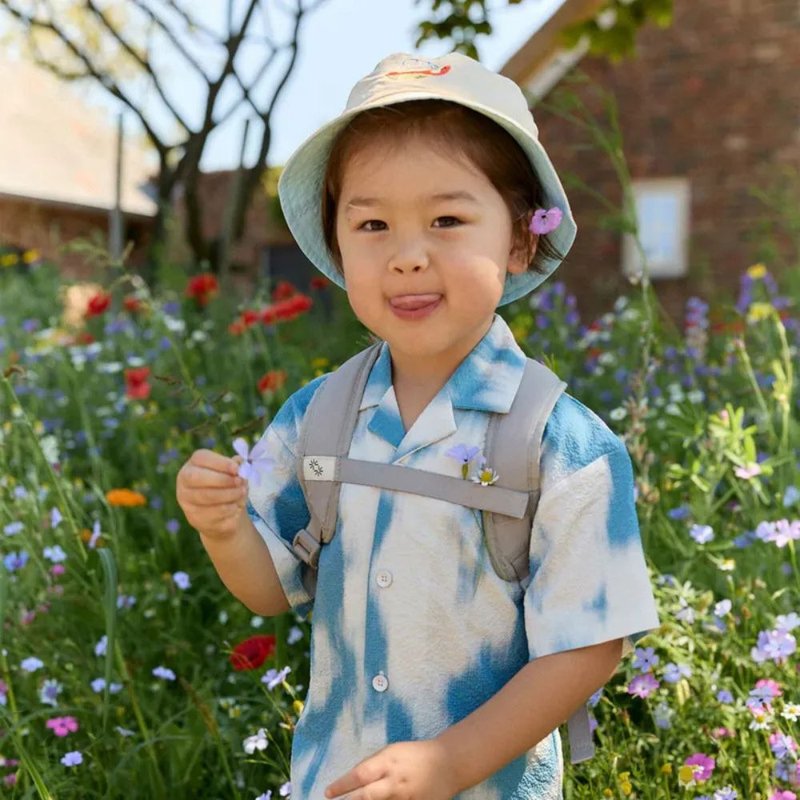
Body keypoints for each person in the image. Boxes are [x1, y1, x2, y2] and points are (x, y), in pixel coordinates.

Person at [176, 52, 660, 800]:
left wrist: (449, 764)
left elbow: (589, 647)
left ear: (520, 239)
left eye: (447, 219)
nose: (407, 256)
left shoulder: (563, 445)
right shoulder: (318, 417)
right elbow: (270, 589)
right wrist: (223, 528)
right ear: (336, 244)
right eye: (372, 223)